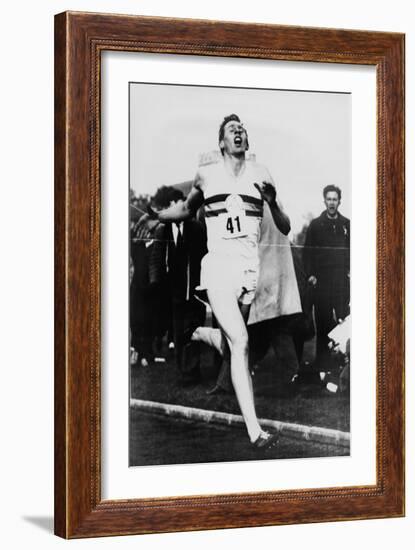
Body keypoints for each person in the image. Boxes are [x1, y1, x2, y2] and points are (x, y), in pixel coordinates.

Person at [146, 114, 291, 449]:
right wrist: (158, 215)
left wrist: (270, 201)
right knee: (241, 341)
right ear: (222, 143)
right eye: (232, 130)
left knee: (231, 345)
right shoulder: (207, 174)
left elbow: (284, 225)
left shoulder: (262, 173)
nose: (239, 132)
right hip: (219, 269)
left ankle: (201, 333)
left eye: (243, 129)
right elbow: (185, 209)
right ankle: (256, 432)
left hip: (249, 271)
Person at [149, 187, 207, 386]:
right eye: (175, 206)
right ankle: (185, 371)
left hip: (195, 288)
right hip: (173, 290)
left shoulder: (196, 228)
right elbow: (157, 258)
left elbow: (203, 257)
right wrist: (156, 283)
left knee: (195, 328)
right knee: (179, 331)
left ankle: (193, 369)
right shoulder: (162, 230)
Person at [303, 185, 350, 368]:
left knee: (343, 321)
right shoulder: (316, 225)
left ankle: (343, 363)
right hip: (321, 282)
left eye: (335, 199)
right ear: (324, 201)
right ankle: (322, 365)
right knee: (323, 324)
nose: (332, 203)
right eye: (329, 199)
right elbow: (307, 253)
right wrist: (311, 275)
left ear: (340, 201)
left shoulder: (347, 224)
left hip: (341, 282)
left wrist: (351, 271)